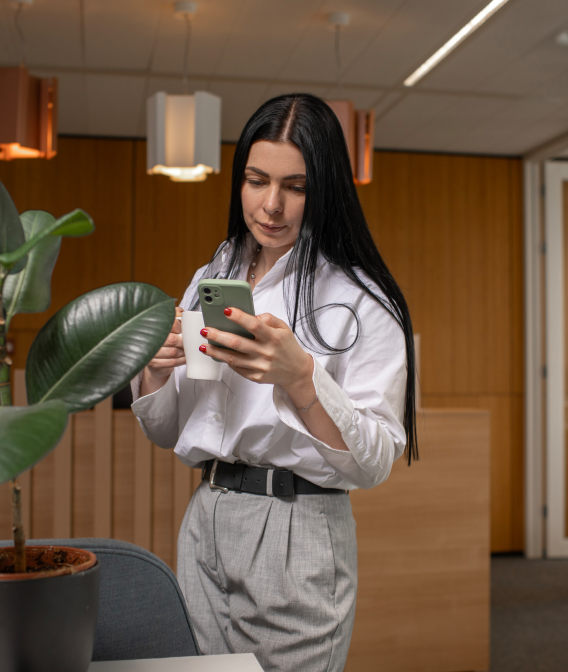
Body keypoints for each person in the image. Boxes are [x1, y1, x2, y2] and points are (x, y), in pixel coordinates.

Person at [130, 93, 417, 672]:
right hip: (208, 514)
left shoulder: (360, 299)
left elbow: (375, 461)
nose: (271, 205)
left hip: (295, 525)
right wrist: (155, 370)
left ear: (326, 189)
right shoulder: (216, 274)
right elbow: (167, 431)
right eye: (256, 180)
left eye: (296, 186)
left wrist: (303, 381)